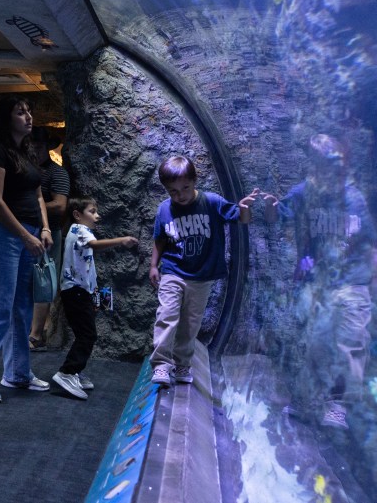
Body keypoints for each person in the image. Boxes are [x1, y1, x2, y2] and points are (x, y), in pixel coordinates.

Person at [263, 134, 374, 429]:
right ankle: (306, 403)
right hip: (322, 286)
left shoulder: (354, 199)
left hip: (353, 284)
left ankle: (338, 405)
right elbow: (277, 215)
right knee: (318, 346)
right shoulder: (304, 193)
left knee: (351, 347)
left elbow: (369, 244)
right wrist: (271, 207)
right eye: (323, 165)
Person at [0, 96, 54, 404]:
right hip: (4, 233)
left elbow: (39, 196)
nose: (28, 116)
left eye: (30, 111)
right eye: (21, 112)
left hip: (30, 232)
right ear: (7, 118)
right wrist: (24, 235)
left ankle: (17, 373)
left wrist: (43, 229)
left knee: (21, 306)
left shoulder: (26, 153)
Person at [149, 156, 260, 387]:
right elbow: (159, 238)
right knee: (167, 314)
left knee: (190, 323)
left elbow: (242, 218)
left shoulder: (212, 202)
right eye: (173, 191)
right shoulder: (164, 209)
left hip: (202, 276)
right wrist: (153, 265)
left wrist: (245, 208)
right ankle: (161, 364)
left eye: (185, 188)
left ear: (194, 181)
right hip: (173, 271)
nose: (180, 195)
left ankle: (182, 364)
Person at [51, 196, 138, 399]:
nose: (97, 216)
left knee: (86, 333)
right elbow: (95, 245)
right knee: (87, 335)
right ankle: (67, 372)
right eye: (92, 211)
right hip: (76, 292)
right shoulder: (78, 229)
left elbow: (89, 270)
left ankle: (76, 371)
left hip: (82, 292)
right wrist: (122, 240)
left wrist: (97, 298)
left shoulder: (80, 232)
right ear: (77, 215)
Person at [29, 127, 70, 351]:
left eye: (38, 145)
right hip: (25, 233)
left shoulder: (57, 173)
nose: (34, 149)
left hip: (48, 235)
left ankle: (36, 335)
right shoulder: (27, 170)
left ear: (46, 147)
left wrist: (32, 206)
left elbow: (61, 205)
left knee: (43, 283)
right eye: (31, 144)